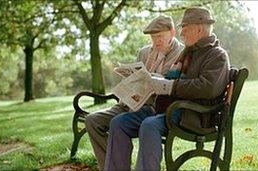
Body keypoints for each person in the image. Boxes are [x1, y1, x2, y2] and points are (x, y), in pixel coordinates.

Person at [104, 7, 230, 171]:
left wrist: (168, 86)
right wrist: (154, 81)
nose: (182, 33)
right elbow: (171, 80)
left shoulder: (217, 55)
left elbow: (206, 88)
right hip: (169, 109)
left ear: (198, 29)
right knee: (119, 123)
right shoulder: (187, 52)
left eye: (184, 28)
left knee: (149, 125)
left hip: (193, 115)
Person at [85, 15, 184, 171]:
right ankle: (110, 167)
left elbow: (173, 85)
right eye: (153, 37)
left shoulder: (182, 53)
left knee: (118, 123)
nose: (156, 41)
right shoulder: (145, 52)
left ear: (172, 32)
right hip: (129, 103)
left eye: (159, 36)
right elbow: (136, 77)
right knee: (92, 120)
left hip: (151, 108)